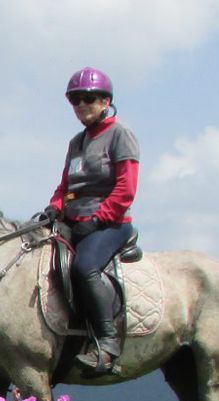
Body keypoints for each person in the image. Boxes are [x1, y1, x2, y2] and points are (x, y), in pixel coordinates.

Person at [36, 66, 139, 377]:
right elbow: (65, 187)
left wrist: (98, 219)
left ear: (105, 101)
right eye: (75, 100)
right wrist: (54, 207)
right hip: (75, 220)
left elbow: (126, 188)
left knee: (84, 267)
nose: (81, 105)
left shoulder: (121, 136)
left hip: (111, 224)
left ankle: (107, 345)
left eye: (88, 98)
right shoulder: (76, 142)